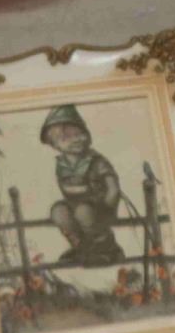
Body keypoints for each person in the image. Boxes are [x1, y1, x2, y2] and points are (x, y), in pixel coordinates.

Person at [40, 104, 125, 266]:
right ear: (55, 144)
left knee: (83, 212)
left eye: (79, 134)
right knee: (58, 211)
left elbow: (113, 188)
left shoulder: (96, 161)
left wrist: (108, 205)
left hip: (100, 208)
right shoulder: (62, 165)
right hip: (76, 207)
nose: (76, 140)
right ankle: (81, 246)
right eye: (67, 138)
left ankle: (105, 248)